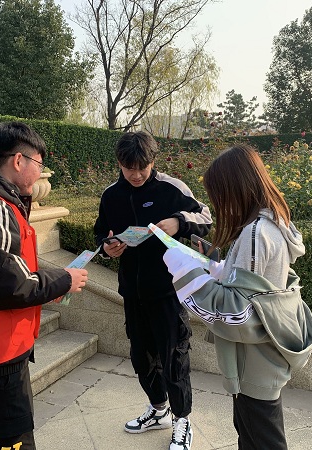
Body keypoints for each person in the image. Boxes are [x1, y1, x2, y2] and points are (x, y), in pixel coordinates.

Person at [162, 144, 312, 450]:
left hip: (254, 359)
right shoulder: (274, 223)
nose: (219, 204)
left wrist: (184, 269)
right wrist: (217, 265)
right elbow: (257, 285)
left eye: (219, 195)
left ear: (235, 189)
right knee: (254, 433)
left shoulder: (255, 233)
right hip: (264, 355)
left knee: (261, 438)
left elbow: (239, 310)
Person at [0, 121, 88, 450]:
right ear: (19, 161)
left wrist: (52, 287)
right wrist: (64, 279)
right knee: (13, 441)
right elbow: (9, 283)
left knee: (3, 436)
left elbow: (10, 272)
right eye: (39, 163)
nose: (41, 172)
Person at [94, 131, 212, 450]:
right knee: (141, 356)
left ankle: (182, 419)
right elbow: (100, 233)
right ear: (119, 163)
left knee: (174, 356)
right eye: (128, 168)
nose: (135, 174)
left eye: (142, 167)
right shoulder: (111, 195)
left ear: (153, 161)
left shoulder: (172, 188)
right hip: (132, 293)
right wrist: (108, 247)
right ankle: (159, 409)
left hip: (168, 292)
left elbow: (206, 218)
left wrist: (178, 221)